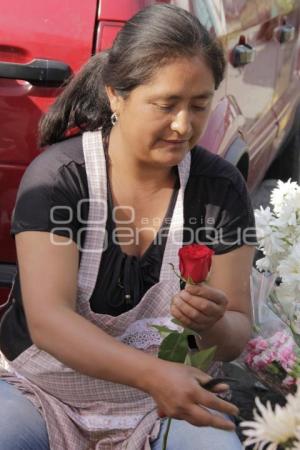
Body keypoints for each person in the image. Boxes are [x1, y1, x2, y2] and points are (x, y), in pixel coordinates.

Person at [0, 4, 256, 450]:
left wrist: (212, 325)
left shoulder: (219, 188)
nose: (184, 125)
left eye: (199, 106)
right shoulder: (60, 178)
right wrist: (153, 373)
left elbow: (237, 331)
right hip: (46, 390)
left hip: (170, 397)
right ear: (116, 95)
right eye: (166, 104)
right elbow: (48, 321)